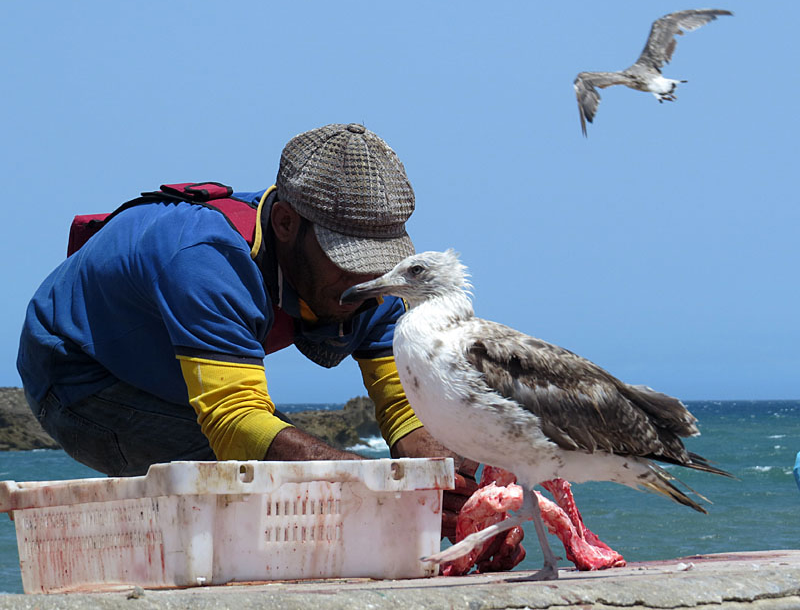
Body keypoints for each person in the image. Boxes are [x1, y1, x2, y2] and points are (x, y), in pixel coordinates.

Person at [17, 122, 524, 572]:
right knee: (247, 483)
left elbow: (408, 412)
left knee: (289, 473)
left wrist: (458, 495)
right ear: (285, 224)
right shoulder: (207, 258)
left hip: (171, 373)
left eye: (378, 261)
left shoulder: (372, 284)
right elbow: (237, 424)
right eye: (344, 258)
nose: (364, 281)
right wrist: (378, 485)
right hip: (78, 375)